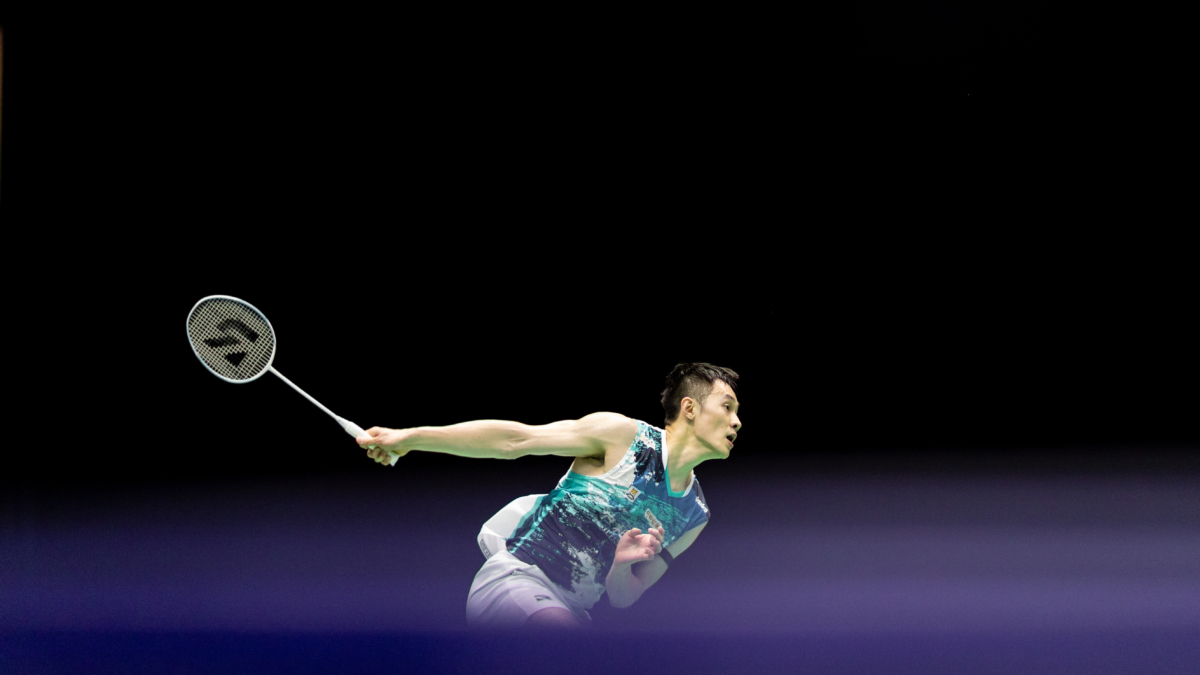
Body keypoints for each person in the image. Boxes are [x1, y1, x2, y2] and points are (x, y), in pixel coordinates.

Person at [356, 362, 742, 628]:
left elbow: (623, 597)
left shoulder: (694, 514)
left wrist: (621, 566)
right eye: (727, 407)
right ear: (689, 408)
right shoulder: (623, 437)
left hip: (571, 612)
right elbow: (515, 440)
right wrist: (409, 438)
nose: (736, 421)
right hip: (517, 580)